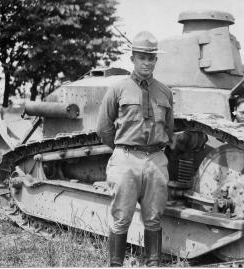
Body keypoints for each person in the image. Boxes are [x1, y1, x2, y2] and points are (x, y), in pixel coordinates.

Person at [96, 31, 174, 267]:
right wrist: (123, 150)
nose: (147, 62)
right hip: (126, 159)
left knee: (154, 218)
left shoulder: (165, 92)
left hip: (156, 161)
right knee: (121, 216)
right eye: (142, 57)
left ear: (156, 61)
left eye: (151, 58)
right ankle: (116, 265)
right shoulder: (118, 89)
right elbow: (103, 127)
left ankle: (152, 264)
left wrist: (153, 152)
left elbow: (169, 129)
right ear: (133, 58)